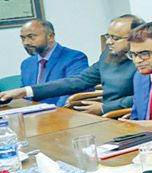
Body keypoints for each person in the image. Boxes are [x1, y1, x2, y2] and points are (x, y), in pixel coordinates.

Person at [0, 15, 140, 114]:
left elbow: (145, 96)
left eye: (115, 38)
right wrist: (25, 91)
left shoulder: (143, 60)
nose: (108, 42)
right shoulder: (108, 55)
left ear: (135, 37)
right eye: (108, 36)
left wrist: (104, 108)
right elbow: (77, 81)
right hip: (106, 115)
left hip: (125, 115)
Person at [16, 19, 88, 106]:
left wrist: (55, 111)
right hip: (32, 112)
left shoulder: (75, 58)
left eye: (31, 37)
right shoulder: (27, 64)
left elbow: (73, 91)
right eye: (23, 38)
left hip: (61, 112)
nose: (26, 43)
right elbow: (24, 96)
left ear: (50, 36)